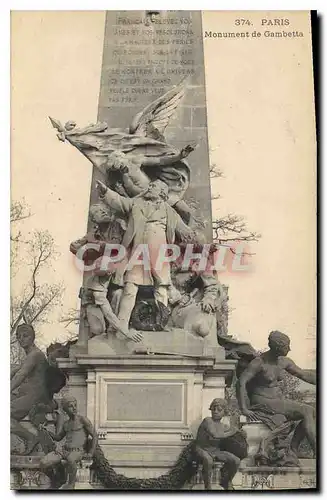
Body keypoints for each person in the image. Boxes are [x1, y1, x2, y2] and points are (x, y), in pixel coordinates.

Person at [96, 178, 195, 332]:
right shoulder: (137, 203)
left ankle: (160, 322)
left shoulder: (170, 211)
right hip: (138, 252)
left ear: (162, 192)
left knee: (161, 288)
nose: (149, 187)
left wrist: (193, 237)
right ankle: (122, 322)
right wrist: (106, 192)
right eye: (150, 185)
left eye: (153, 186)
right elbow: (120, 201)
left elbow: (184, 230)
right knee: (130, 286)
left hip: (159, 254)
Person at [237, 330, 316, 455]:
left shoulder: (284, 361)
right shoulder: (259, 363)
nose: (289, 349)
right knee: (307, 410)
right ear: (277, 347)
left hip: (277, 401)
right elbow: (241, 382)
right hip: (262, 400)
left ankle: (293, 449)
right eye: (286, 346)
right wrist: (244, 409)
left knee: (311, 411)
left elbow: (304, 375)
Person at [39, 395, 97, 490]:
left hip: (77, 451)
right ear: (65, 409)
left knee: (70, 460)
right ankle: (57, 479)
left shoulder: (83, 420)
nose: (74, 408)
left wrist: (90, 452)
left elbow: (94, 436)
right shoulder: (66, 423)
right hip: (64, 450)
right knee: (43, 463)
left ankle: (71, 484)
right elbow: (58, 438)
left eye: (75, 405)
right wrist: (46, 431)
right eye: (70, 406)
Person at [11, 324, 50, 454]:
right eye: (18, 336)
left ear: (33, 337)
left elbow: (20, 375)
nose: (21, 339)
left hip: (35, 396)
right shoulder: (30, 355)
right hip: (29, 394)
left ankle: (30, 438)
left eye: (25, 336)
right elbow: (14, 371)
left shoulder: (35, 355)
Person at [195, 398, 242, 490]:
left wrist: (239, 431)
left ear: (224, 412)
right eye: (213, 409)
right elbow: (215, 435)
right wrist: (232, 432)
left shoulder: (222, 425)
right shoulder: (207, 421)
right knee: (208, 460)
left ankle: (227, 481)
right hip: (202, 449)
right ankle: (207, 487)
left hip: (215, 451)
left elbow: (234, 431)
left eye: (219, 410)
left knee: (236, 460)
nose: (215, 411)